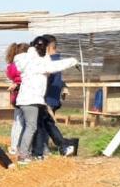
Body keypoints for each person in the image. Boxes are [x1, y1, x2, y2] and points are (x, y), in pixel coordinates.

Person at [13, 35, 78, 163]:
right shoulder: (38, 62)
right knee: (32, 127)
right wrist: (73, 61)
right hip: (32, 100)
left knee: (37, 124)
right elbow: (55, 66)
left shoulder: (26, 59)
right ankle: (23, 155)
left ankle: (35, 151)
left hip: (28, 99)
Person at [5, 42, 29, 155]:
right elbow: (22, 79)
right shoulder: (22, 65)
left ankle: (14, 146)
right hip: (24, 96)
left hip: (16, 97)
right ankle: (18, 146)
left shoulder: (11, 65)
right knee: (23, 123)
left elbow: (12, 77)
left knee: (17, 122)